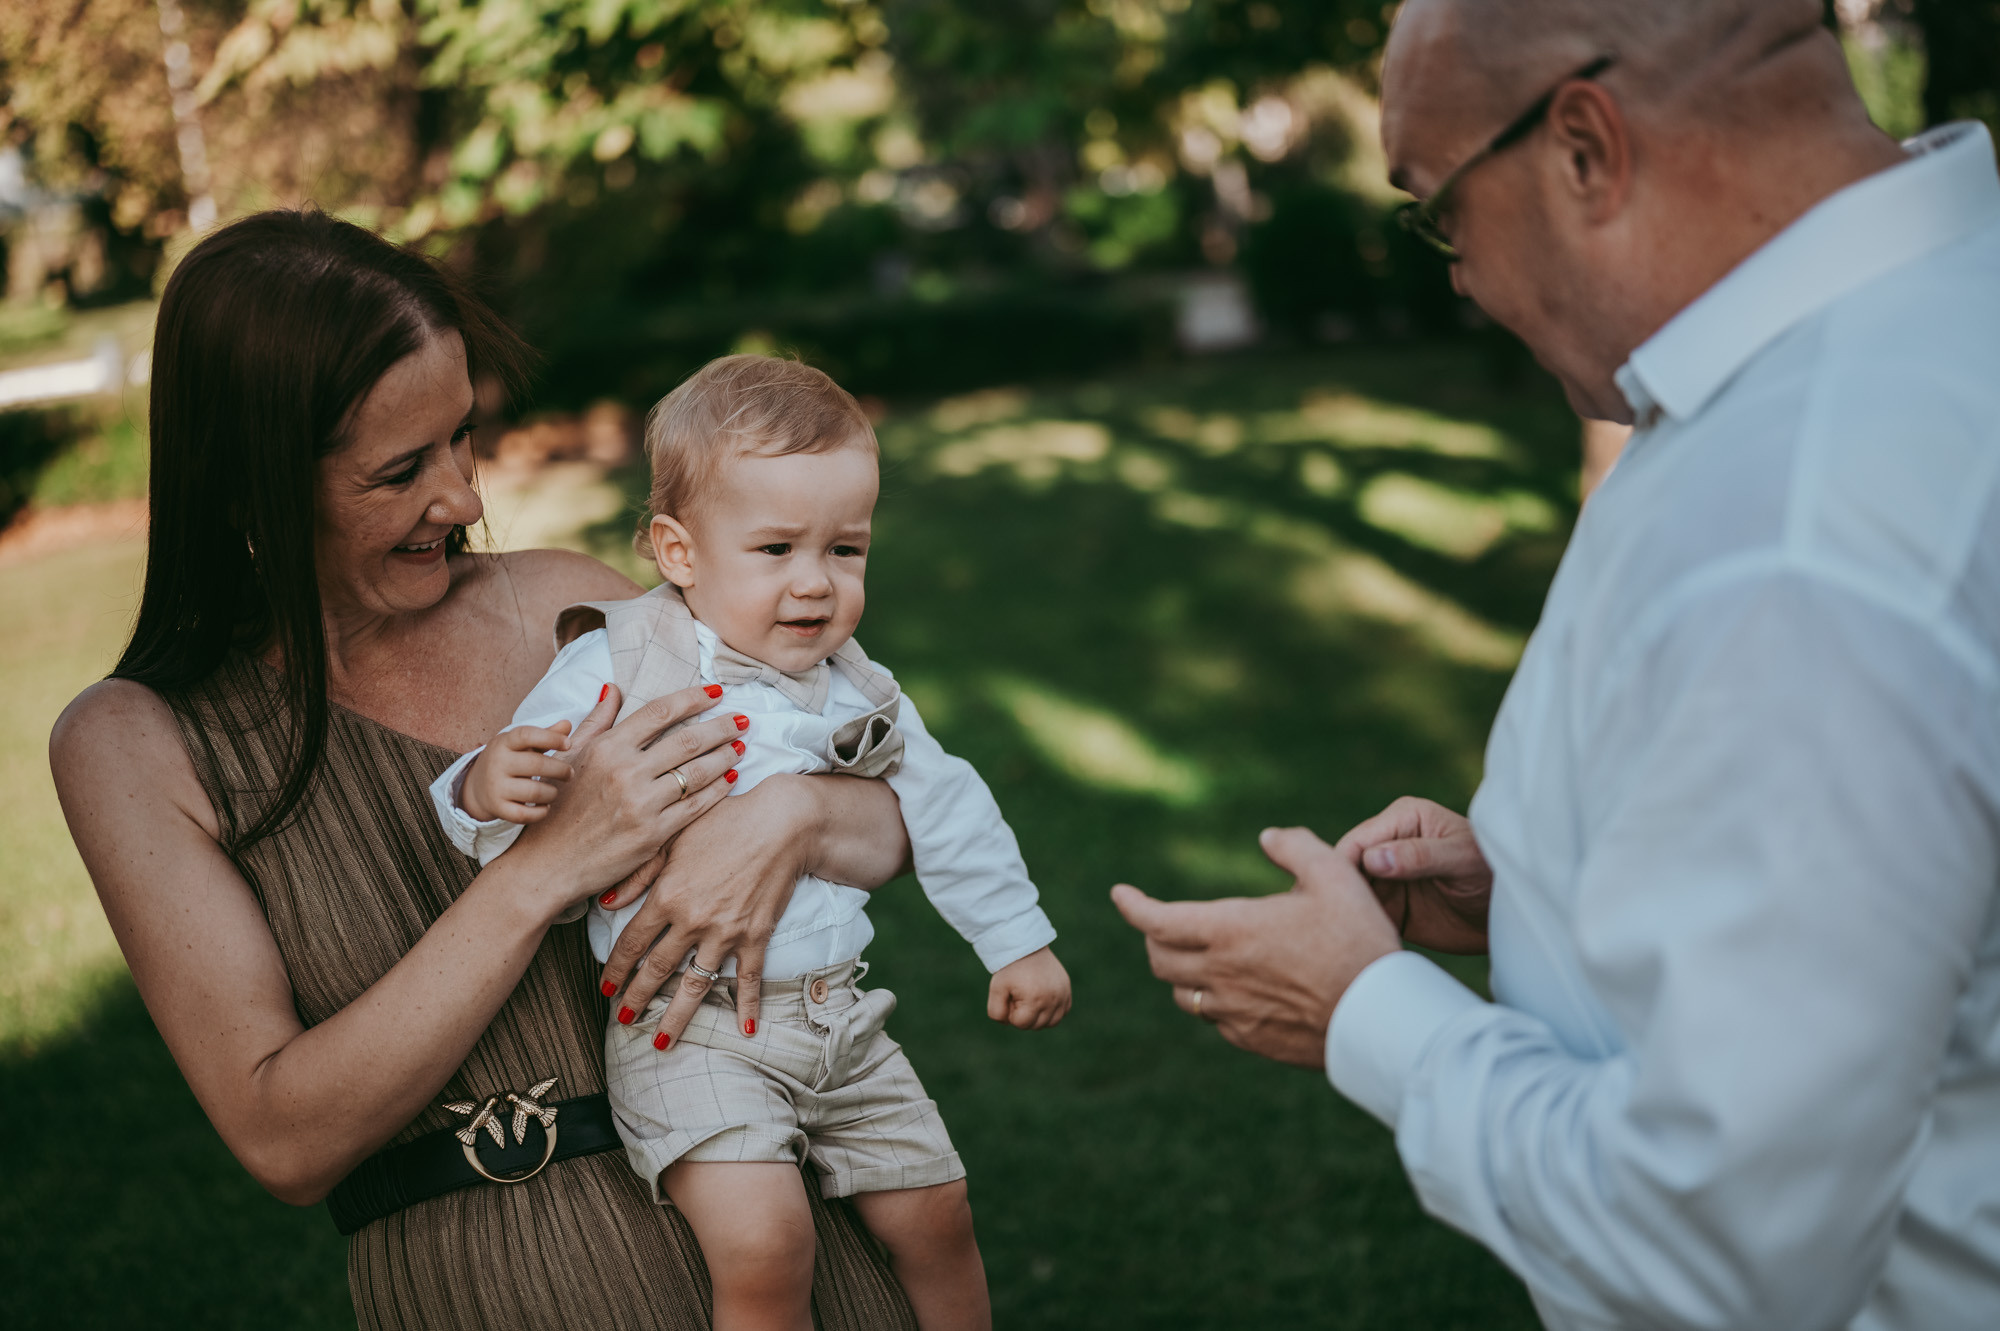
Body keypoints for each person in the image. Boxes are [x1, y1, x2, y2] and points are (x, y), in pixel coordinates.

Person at [1114, 2, 2000, 1328]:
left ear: (1584, 145)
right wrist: (1552, 896)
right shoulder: (1919, 330)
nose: (1453, 272)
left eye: (1438, 207)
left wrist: (1363, 1009)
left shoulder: (1798, 530)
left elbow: (1718, 1247)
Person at [48, 210, 923, 1330]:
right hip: (480, 1285)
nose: (462, 497)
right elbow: (283, 1136)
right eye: (401, 469)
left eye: (462, 436)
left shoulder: (562, 607)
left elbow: (898, 820)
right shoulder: (135, 743)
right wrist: (545, 867)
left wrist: (796, 816)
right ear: (248, 484)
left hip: (768, 1238)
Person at [432, 353, 1071, 1330]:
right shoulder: (622, 656)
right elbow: (517, 784)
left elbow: (945, 803)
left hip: (841, 1020)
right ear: (678, 552)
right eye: (774, 549)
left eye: (844, 550)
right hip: (688, 1030)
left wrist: (1015, 939)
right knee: (766, 1242)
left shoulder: (856, 686)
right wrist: (483, 782)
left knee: (937, 1214)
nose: (815, 584)